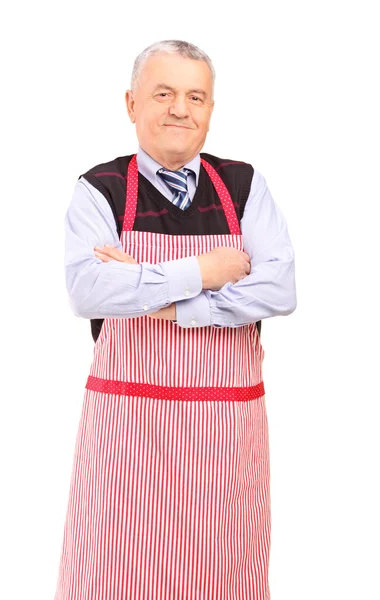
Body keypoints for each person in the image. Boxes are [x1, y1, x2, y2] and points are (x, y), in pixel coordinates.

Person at [55, 39, 296, 600]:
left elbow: (280, 288)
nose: (180, 109)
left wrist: (158, 294)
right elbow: (87, 289)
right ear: (131, 103)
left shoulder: (243, 186)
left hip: (224, 441)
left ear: (211, 109)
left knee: (223, 577)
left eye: (196, 96)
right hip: (126, 443)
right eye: (163, 93)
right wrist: (206, 270)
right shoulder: (100, 190)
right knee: (114, 574)